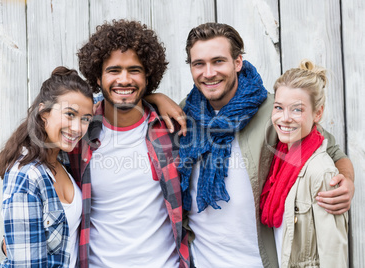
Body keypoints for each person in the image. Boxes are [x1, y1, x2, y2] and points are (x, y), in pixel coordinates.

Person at [157, 22, 354, 267]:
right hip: (200, 260)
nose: (208, 73)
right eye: (199, 64)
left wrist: (346, 181)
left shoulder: (275, 112)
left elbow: (333, 152)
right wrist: (155, 96)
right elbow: (123, 104)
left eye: (218, 61)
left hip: (261, 260)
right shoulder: (182, 114)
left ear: (238, 62)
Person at [66, 19, 189, 268]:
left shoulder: (171, 128)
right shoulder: (78, 134)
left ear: (148, 77)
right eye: (113, 70)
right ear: (97, 78)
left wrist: (157, 99)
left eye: (134, 70)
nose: (124, 79)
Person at [0, 67, 94, 267]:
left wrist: (155, 98)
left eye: (85, 119)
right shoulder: (26, 175)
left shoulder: (64, 163)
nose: (77, 127)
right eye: (70, 114)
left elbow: (117, 99)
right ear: (44, 113)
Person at [260, 59, 348, 267]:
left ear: (318, 113)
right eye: (279, 107)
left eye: (297, 110)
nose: (285, 118)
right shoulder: (279, 160)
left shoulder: (321, 172)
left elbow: (333, 256)